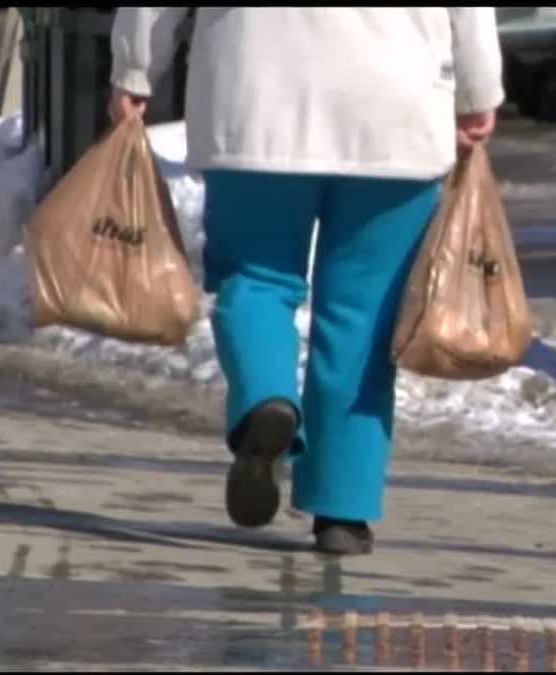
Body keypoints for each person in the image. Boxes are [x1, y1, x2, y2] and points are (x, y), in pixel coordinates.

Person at [109, 7, 503, 555]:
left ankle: (266, 403)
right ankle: (342, 509)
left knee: (254, 279)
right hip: (395, 110)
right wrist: (478, 88)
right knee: (364, 316)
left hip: (254, 103)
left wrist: (134, 70)